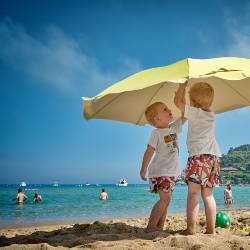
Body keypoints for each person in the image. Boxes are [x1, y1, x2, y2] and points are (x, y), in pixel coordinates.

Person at [175, 81, 221, 235]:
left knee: (193, 194)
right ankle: (211, 230)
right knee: (208, 195)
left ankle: (191, 229)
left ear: (193, 103)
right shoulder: (211, 115)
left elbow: (178, 102)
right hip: (213, 158)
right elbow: (186, 109)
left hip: (198, 157)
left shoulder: (194, 113)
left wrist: (182, 85)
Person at [140, 101, 184, 232]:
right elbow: (149, 151)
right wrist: (143, 169)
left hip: (170, 173)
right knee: (164, 200)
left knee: (166, 201)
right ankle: (151, 226)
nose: (169, 110)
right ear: (157, 119)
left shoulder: (174, 128)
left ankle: (160, 226)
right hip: (161, 171)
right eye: (165, 109)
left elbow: (185, 116)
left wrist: (183, 101)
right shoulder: (156, 133)